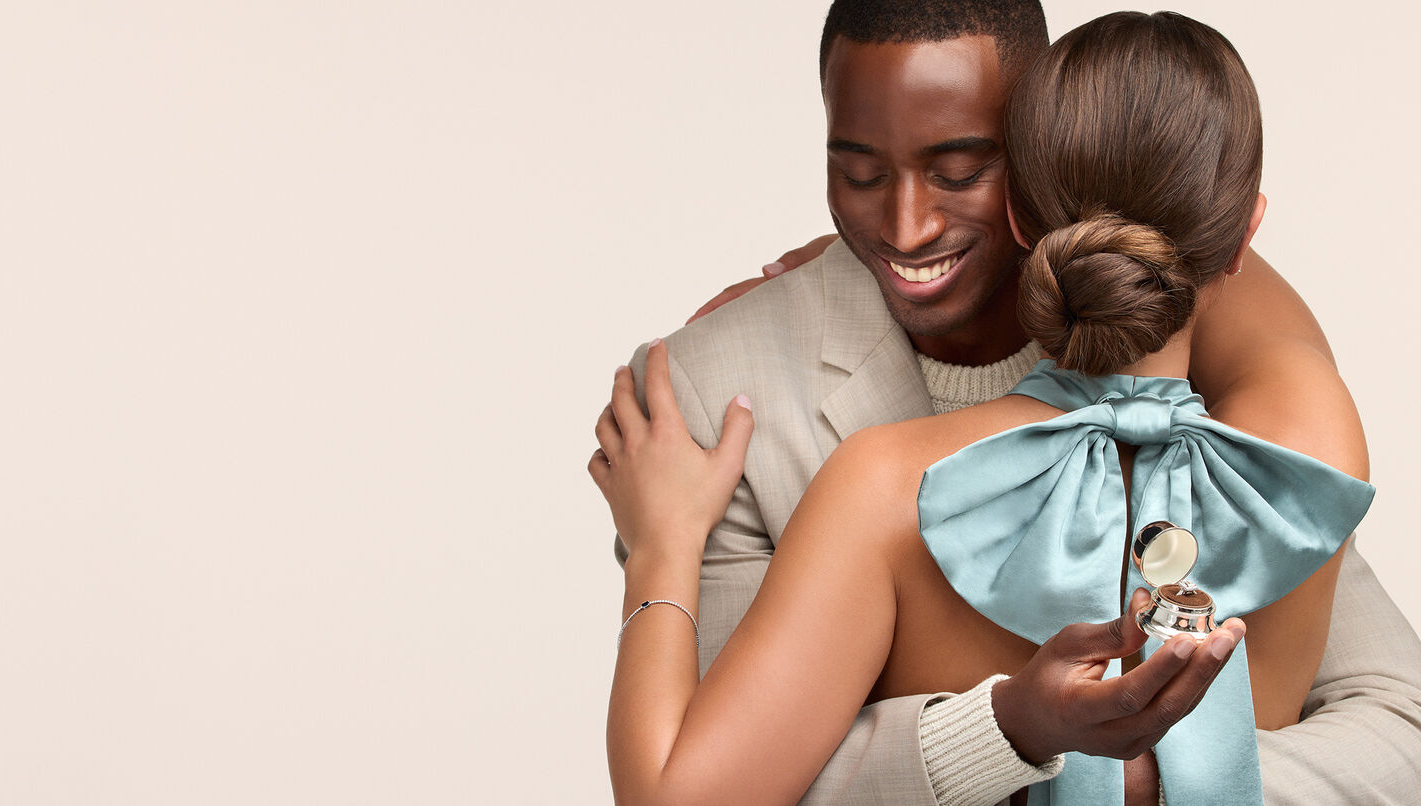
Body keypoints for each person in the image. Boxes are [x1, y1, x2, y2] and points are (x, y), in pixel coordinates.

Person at [595, 2, 1421, 804]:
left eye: (957, 175)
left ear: (1022, 205)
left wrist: (660, 542)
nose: (908, 227)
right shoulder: (1310, 435)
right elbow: (1204, 246)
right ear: (1248, 232)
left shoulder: (883, 488)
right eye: (861, 175)